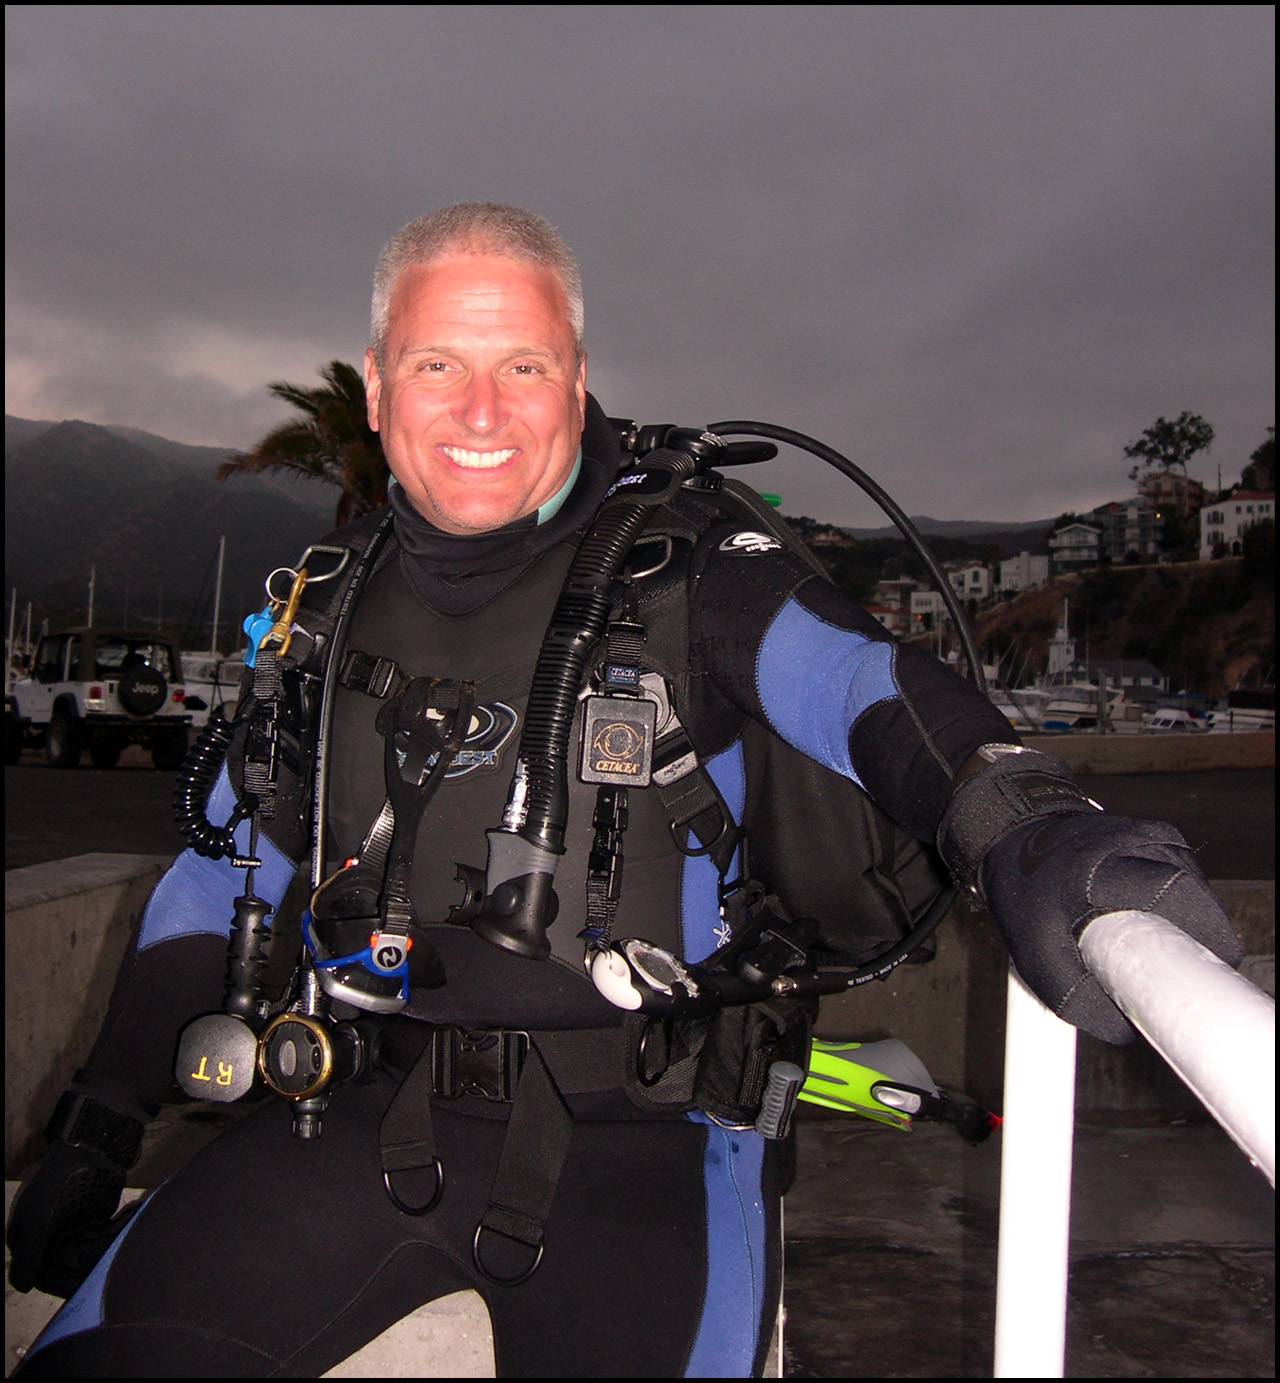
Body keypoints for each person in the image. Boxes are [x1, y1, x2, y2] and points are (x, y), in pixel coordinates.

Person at [8, 203, 1241, 1378]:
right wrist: (99, 1121)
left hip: (651, 1148)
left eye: (524, 366)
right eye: (437, 365)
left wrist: (1026, 827)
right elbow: (215, 877)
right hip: (351, 1112)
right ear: (377, 389)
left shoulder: (689, 573)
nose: (481, 408)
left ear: (577, 380)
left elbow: (862, 686)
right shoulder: (324, 611)